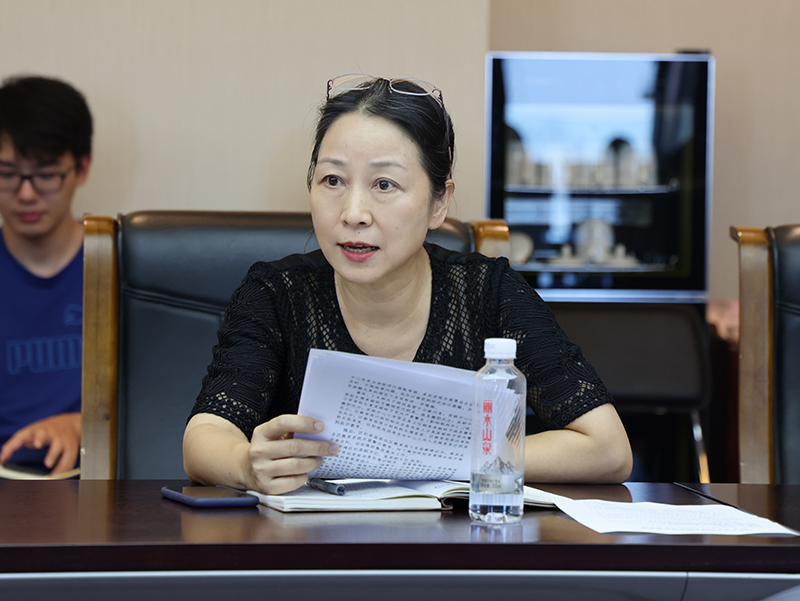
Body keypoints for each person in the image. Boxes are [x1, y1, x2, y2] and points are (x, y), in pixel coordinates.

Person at [183, 75, 632, 494]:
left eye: (384, 184)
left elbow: (608, 450)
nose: (353, 213)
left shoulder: (489, 291)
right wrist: (245, 465)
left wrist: (432, 458)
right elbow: (205, 437)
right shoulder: (276, 292)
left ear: (439, 203)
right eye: (332, 180)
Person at [0, 76, 93, 475]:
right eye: (7, 173)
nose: (26, 194)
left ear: (81, 167)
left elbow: (160, 398)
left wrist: (81, 426)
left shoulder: (122, 271)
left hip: (97, 480)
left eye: (45, 174)